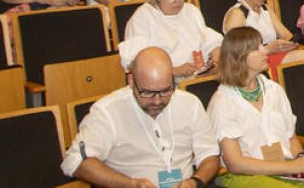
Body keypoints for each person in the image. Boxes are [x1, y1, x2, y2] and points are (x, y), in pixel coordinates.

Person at [62, 46, 220, 187]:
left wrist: (195, 181)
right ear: (131, 81)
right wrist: (131, 184)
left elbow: (209, 155)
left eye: (165, 91)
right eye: (147, 92)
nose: (157, 101)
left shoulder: (190, 104)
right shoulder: (107, 111)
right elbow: (75, 161)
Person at [206, 27, 304, 187]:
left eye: (262, 45)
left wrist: (301, 159)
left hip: (285, 166)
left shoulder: (274, 89)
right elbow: (235, 164)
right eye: (256, 48)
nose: (265, 52)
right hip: (246, 175)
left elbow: (291, 137)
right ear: (238, 57)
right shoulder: (223, 101)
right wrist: (288, 167)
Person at [121, 0, 224, 79]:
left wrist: (215, 64)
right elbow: (135, 62)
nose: (177, 1)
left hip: (198, 77)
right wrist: (174, 71)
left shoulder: (191, 10)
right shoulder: (143, 17)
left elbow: (213, 43)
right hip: (163, 81)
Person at [221, 0, 304, 75]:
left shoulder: (265, 9)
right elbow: (236, 52)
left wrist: (292, 43)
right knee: (302, 58)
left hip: (270, 56)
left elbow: (286, 35)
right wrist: (267, 49)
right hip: (248, 64)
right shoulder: (237, 13)